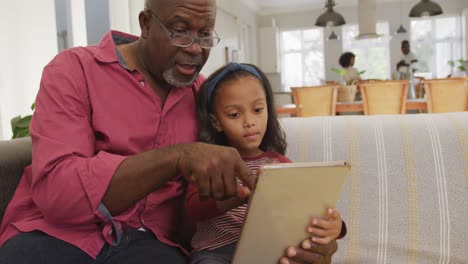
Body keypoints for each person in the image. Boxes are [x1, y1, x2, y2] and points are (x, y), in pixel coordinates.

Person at [0, 0, 339, 263]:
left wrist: (298, 239)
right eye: (180, 30)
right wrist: (176, 157)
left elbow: (231, 194)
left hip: (151, 246)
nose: (195, 48)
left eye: (205, 33)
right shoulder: (74, 70)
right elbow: (61, 194)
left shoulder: (209, 100)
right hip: (53, 236)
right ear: (146, 24)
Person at [186, 62, 347, 264]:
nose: (249, 121)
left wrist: (336, 226)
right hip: (216, 252)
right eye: (234, 114)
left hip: (268, 251)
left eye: (258, 109)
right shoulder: (210, 161)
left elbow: (307, 205)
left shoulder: (279, 164)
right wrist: (232, 198)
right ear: (216, 122)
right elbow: (192, 209)